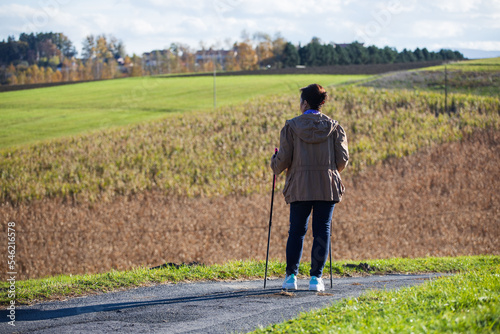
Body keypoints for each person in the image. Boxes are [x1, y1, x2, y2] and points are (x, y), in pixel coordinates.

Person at [270, 83, 349, 291]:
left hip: (300, 186)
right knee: (322, 231)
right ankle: (316, 279)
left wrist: (274, 162)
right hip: (326, 186)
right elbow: (342, 160)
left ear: (305, 102)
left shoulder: (291, 127)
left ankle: (291, 277)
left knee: (296, 231)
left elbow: (282, 161)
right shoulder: (335, 127)